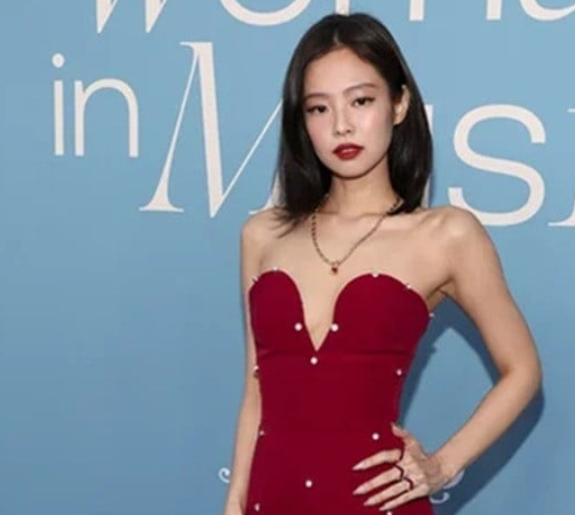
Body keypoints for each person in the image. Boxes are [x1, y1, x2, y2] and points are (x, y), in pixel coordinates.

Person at [222, 12, 542, 515]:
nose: (341, 125)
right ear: (302, 121)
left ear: (399, 104)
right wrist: (234, 502)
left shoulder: (446, 235)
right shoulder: (262, 235)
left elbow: (522, 369)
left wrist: (442, 465)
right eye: (319, 108)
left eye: (361, 101)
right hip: (273, 500)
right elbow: (256, 392)